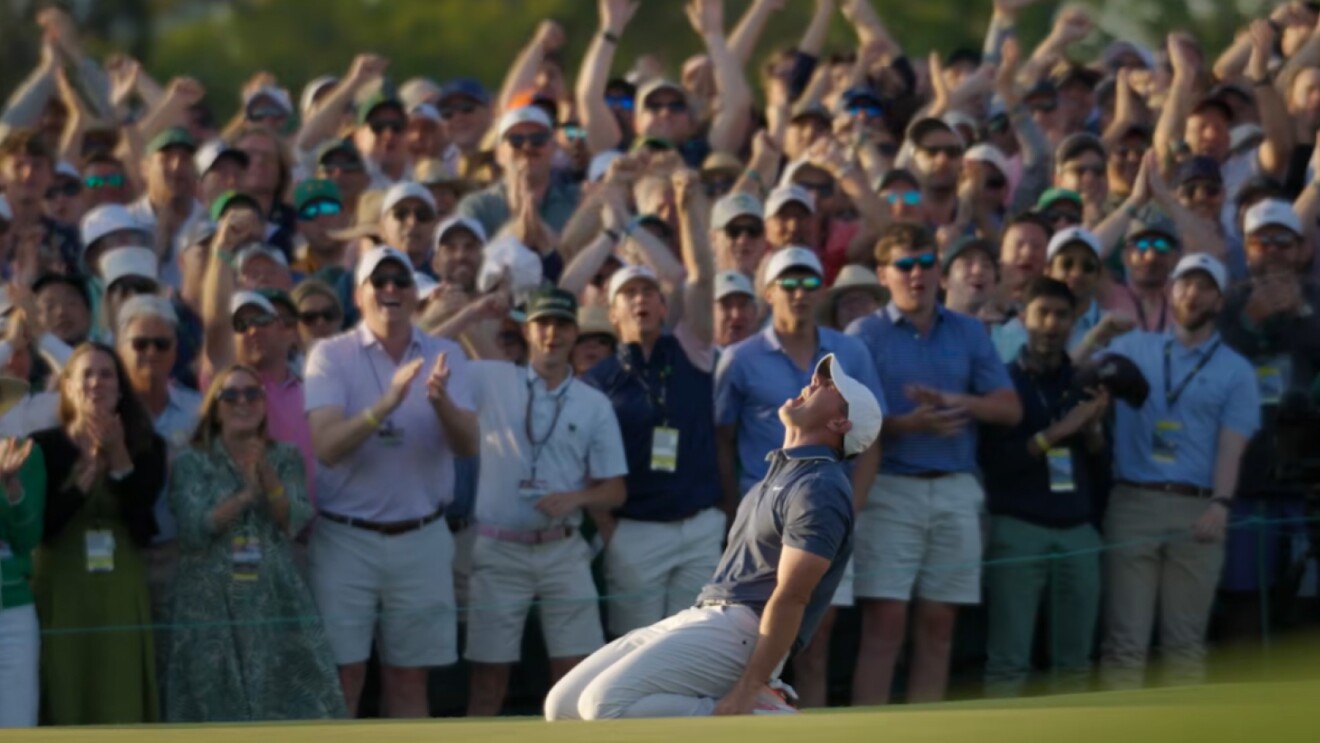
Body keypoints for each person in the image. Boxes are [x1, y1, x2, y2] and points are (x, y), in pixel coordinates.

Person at [545, 352, 882, 719]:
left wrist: (748, 687)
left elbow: (792, 597)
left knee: (602, 705)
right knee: (560, 706)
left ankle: (760, 711)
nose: (815, 382)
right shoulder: (775, 477)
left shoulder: (820, 486)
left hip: (747, 628)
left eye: (831, 386)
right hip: (706, 614)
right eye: (820, 377)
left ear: (840, 422)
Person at [845, 222, 1021, 705]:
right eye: (904, 265)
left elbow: (1008, 407)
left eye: (925, 263)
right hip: (890, 489)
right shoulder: (863, 334)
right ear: (884, 273)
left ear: (939, 271)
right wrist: (907, 425)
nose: (916, 274)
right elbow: (844, 420)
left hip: (957, 489)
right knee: (885, 624)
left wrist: (955, 402)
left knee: (940, 626)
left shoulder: (967, 330)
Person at [304, 245, 478, 718]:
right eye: (378, 281)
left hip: (421, 536)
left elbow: (468, 446)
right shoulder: (329, 355)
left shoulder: (447, 354)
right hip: (346, 538)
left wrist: (440, 402)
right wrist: (387, 403)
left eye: (401, 280)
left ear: (416, 293)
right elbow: (327, 446)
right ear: (358, 296)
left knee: (409, 676)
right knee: (345, 674)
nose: (390, 290)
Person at [714, 247, 884, 708]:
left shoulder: (850, 351)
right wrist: (739, 512)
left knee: (811, 639)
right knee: (754, 636)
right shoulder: (738, 357)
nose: (799, 292)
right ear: (767, 292)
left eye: (809, 282)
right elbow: (723, 439)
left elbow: (871, 441)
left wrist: (846, 511)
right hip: (760, 518)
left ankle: (811, 728)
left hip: (819, 510)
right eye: (788, 282)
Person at [1098, 253, 1260, 690]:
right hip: (1133, 502)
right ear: (1170, 291)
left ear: (1219, 300)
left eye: (1205, 286)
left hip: (1198, 508)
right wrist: (1098, 333)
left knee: (1185, 648)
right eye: (1185, 283)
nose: (1193, 293)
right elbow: (1075, 378)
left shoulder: (1236, 370)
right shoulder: (1133, 347)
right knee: (1124, 645)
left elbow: (1232, 446)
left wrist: (1222, 503)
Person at [464, 287, 627, 716]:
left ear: (575, 332)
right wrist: (475, 308)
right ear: (526, 329)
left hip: (562, 548)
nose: (551, 333)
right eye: (542, 324)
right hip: (499, 548)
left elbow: (615, 490)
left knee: (576, 675)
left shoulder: (594, 402)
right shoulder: (497, 378)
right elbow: (425, 340)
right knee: (488, 675)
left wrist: (576, 497)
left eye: (561, 324)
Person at [581, 169, 717, 639]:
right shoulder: (595, 381)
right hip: (634, 532)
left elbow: (694, 276)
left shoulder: (692, 349)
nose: (640, 299)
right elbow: (585, 466)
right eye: (628, 294)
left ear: (663, 307)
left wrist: (682, 210)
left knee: (696, 650)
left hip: (699, 528)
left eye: (648, 293)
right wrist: (612, 533)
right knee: (633, 655)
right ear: (612, 313)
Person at [165, 365, 344, 721]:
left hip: (274, 599)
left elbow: (293, 518)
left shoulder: (285, 456)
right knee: (214, 709)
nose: (242, 402)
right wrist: (247, 495)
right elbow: (195, 526)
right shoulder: (190, 461)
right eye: (230, 395)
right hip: (210, 604)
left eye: (252, 393)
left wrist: (266, 474)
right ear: (215, 407)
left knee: (288, 706)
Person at [978, 277, 1109, 697]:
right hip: (1018, 526)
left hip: (1079, 527)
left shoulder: (1087, 382)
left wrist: (1092, 433)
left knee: (1075, 667)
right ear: (1023, 319)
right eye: (1043, 314)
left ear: (1074, 321)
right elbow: (994, 463)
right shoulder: (1002, 383)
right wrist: (1055, 434)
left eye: (1062, 315)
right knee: (1008, 663)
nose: (1052, 324)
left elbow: (1106, 465)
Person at [30, 343, 167, 724]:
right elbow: (43, 527)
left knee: (118, 690)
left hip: (119, 591)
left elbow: (142, 524)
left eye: (106, 374)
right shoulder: (42, 447)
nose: (96, 382)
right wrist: (85, 476)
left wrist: (119, 455)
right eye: (86, 374)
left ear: (120, 386)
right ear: (68, 386)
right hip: (61, 587)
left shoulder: (149, 446)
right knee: (64, 687)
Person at [1215, 199, 1320, 642]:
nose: (1274, 251)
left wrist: (1304, 316)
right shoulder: (1226, 302)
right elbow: (1207, 367)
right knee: (1243, 598)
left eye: (1284, 241)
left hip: (1308, 485)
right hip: (1244, 480)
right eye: (1263, 241)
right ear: (1248, 249)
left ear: (1301, 249)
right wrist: (1249, 321)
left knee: (1304, 600)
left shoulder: (1316, 303)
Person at [112, 295, 201, 716]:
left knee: (176, 673)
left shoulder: (198, 413)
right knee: (123, 672)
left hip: (179, 557)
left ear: (176, 351)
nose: (150, 352)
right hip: (114, 558)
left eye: (160, 344)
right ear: (120, 348)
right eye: (139, 343)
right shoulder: (100, 409)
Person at [0, 435, 46, 728]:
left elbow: (28, 538)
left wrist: (12, 484)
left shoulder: (24, 453)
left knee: (16, 727)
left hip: (12, 615)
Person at [713, 269, 758, 350]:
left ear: (754, 311)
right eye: (726, 306)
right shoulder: (699, 359)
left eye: (742, 305)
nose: (736, 315)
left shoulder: (769, 358)